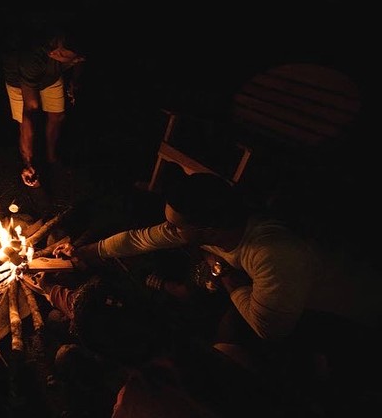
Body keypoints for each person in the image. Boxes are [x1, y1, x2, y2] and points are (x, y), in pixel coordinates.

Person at [49, 171, 382, 413]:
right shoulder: (211, 226)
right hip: (280, 296)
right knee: (221, 331)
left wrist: (227, 277)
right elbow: (139, 239)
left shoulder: (272, 252)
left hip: (346, 316)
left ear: (207, 228)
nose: (168, 230)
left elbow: (270, 329)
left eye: (176, 226)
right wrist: (87, 252)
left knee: (251, 347)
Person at [2, 21, 86, 188]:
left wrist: (75, 82)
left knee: (57, 116)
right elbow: (30, 109)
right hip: (19, 80)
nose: (55, 53)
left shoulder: (76, 49)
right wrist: (28, 162)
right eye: (57, 49)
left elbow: (80, 60)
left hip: (52, 78)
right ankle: (28, 163)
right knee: (24, 121)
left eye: (62, 55)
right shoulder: (34, 54)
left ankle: (51, 157)